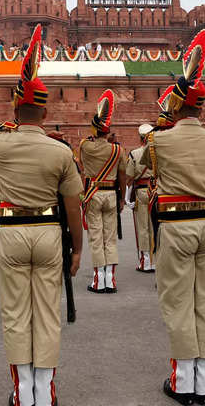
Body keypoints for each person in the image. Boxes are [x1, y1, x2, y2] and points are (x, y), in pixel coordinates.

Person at [0, 24, 83, 406]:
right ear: (45, 110)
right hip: (48, 233)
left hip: (10, 230)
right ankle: (45, 392)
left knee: (15, 313)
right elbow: (73, 206)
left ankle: (22, 391)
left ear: (14, 109)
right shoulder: (60, 150)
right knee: (46, 313)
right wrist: (76, 249)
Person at [141, 30, 205, 406]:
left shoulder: (158, 141)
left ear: (176, 107)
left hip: (176, 226)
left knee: (178, 302)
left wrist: (152, 129)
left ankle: (183, 383)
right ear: (202, 109)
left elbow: (134, 167)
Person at [79, 89, 126, 294]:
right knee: (110, 237)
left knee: (96, 237)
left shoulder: (85, 146)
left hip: (93, 193)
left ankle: (99, 280)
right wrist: (123, 197)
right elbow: (123, 176)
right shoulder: (117, 149)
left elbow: (82, 159)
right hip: (111, 194)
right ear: (107, 132)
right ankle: (111, 279)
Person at [126, 123, 155, 272]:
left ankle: (146, 262)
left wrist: (126, 196)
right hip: (155, 191)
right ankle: (155, 259)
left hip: (142, 191)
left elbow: (129, 176)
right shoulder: (157, 151)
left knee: (142, 227)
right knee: (154, 225)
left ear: (140, 138)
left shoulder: (134, 153)